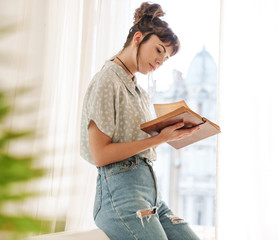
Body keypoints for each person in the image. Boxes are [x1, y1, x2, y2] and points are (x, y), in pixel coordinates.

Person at [80, 2, 201, 239]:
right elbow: (101, 155)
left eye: (165, 58)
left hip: (151, 195)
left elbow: (138, 145)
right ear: (138, 38)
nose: (160, 61)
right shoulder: (107, 81)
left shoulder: (140, 92)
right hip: (120, 195)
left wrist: (168, 135)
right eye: (158, 50)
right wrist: (159, 138)